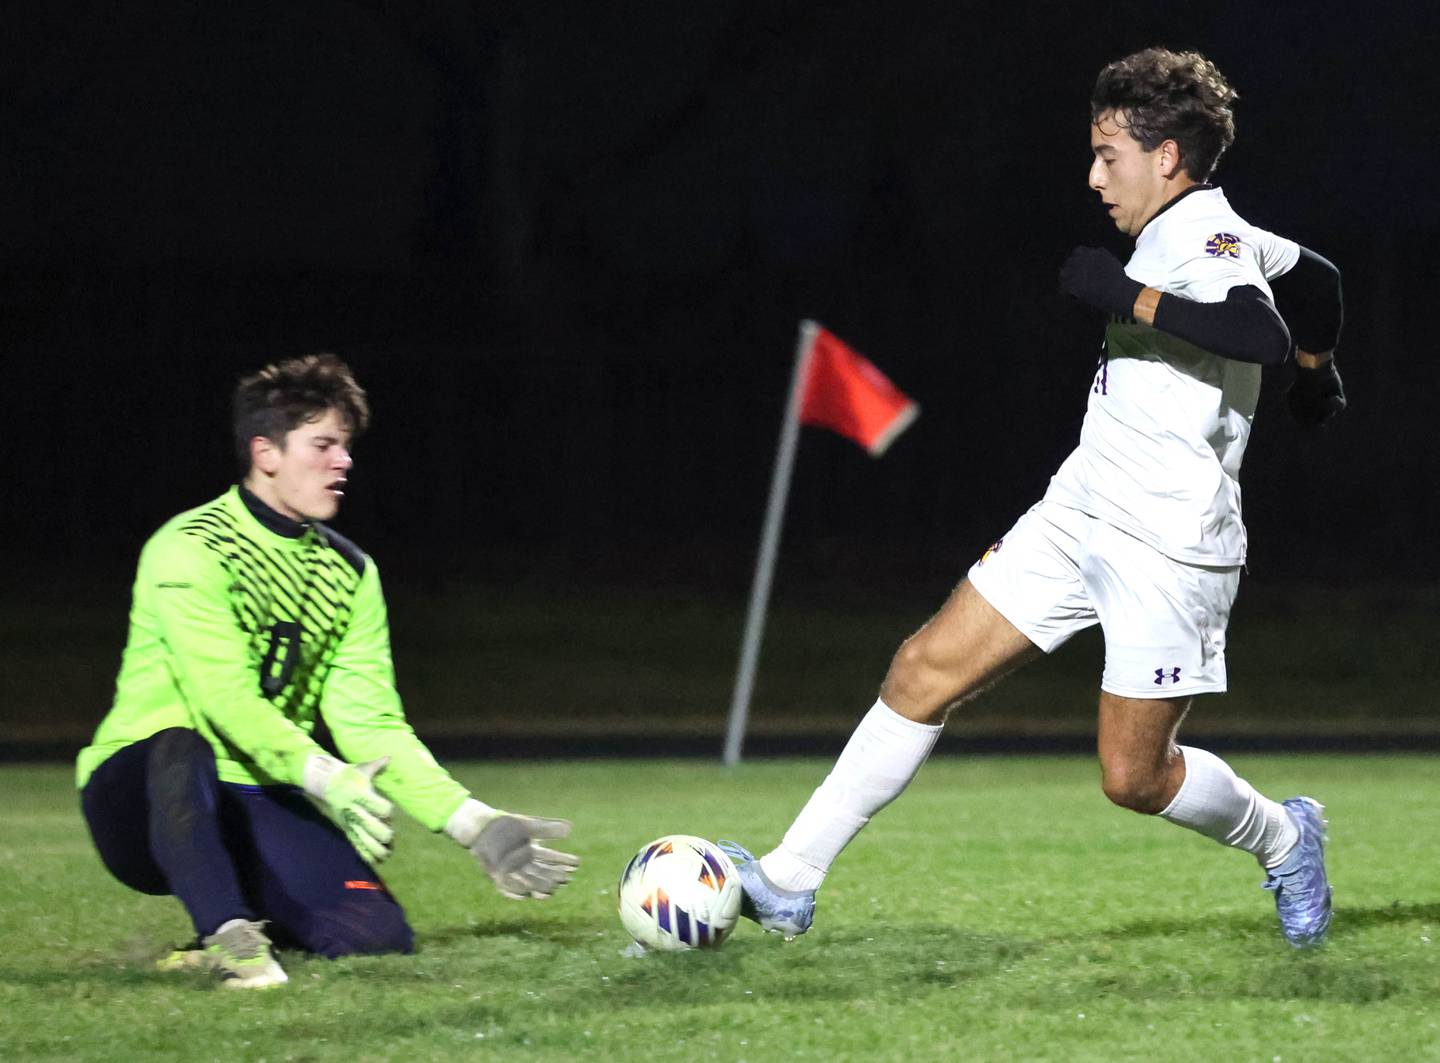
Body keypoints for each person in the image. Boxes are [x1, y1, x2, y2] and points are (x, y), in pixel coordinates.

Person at [720, 47, 1345, 949]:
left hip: (1169, 544)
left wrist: (1127, 295)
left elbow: (1257, 329)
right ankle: (787, 879)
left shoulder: (1204, 239)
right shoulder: (1218, 233)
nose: (1094, 177)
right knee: (920, 669)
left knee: (1134, 777)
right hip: (1081, 506)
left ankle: (1286, 838)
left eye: (1109, 155)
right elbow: (1319, 281)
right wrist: (1320, 378)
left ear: (1166, 156)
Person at [77, 353, 580, 988]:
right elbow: (224, 698)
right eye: (323, 445)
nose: (343, 462)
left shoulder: (351, 573)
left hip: (254, 792)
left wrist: (473, 822)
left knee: (374, 937)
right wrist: (323, 774)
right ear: (266, 453)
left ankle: (236, 923)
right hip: (143, 801)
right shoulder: (188, 548)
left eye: (345, 447)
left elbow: (370, 722)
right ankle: (228, 934)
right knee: (181, 747)